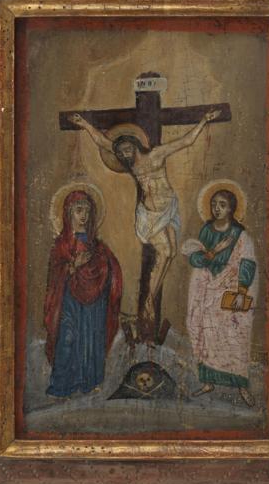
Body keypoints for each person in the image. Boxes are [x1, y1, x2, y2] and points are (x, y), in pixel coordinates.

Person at [70, 109, 221, 327]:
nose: (125, 155)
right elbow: (103, 142)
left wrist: (204, 120)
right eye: (121, 153)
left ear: (135, 145)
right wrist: (85, 125)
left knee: (170, 253)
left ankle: (151, 298)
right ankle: (149, 302)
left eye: (128, 149)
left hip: (168, 208)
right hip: (149, 216)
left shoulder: (156, 155)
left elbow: (186, 142)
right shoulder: (131, 164)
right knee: (165, 252)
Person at [183, 183, 257, 406]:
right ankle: (208, 382)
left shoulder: (239, 235)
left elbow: (247, 262)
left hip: (230, 288)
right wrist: (213, 252)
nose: (217, 208)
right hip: (206, 289)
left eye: (222, 205)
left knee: (233, 337)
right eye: (214, 204)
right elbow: (196, 258)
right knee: (204, 332)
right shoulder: (206, 230)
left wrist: (241, 290)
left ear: (231, 208)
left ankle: (241, 385)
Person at [44, 188, 122, 397]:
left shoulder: (97, 245)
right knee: (67, 339)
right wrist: (73, 266)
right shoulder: (61, 246)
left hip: (95, 303)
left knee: (91, 338)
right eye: (79, 210)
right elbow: (55, 275)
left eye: (87, 211)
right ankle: (62, 386)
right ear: (69, 213)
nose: (84, 216)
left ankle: (90, 381)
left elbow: (111, 268)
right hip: (69, 300)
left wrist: (104, 269)